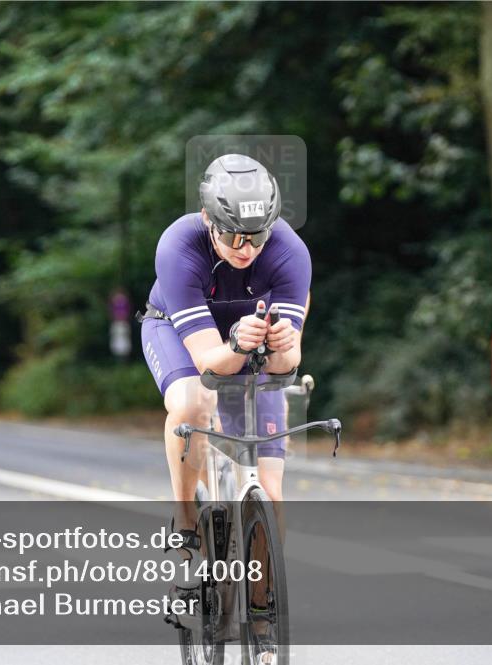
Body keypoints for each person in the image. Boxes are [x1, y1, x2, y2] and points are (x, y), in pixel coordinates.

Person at [139, 154, 310, 590]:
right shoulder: (178, 246)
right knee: (193, 401)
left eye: (255, 237)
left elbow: (287, 367)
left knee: (270, 494)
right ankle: (185, 515)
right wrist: (235, 345)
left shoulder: (290, 252)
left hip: (250, 337)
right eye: (232, 236)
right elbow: (209, 364)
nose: (245, 249)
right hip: (178, 331)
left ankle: (261, 615)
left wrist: (283, 348)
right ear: (207, 219)